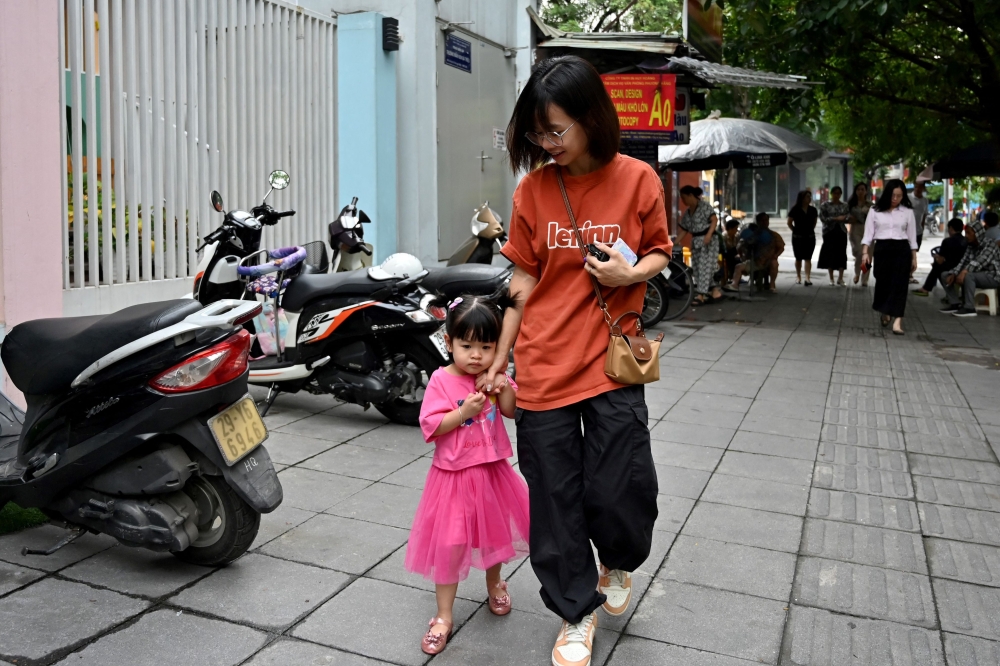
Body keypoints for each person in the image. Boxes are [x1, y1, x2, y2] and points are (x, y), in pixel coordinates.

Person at [484, 55, 671, 666]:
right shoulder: (533, 190)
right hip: (543, 365)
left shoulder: (638, 179)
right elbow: (522, 281)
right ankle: (574, 612)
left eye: (556, 131)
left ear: (593, 118)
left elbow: (661, 254)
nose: (546, 144)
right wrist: (498, 360)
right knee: (555, 499)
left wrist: (630, 271)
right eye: (537, 134)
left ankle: (617, 557)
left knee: (623, 485)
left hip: (612, 361)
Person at [406, 294, 530, 655]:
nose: (476, 355)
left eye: (486, 347)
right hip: (452, 479)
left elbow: (510, 411)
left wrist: (503, 385)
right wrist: (464, 412)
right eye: (467, 346)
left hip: (491, 473)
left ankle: (495, 583)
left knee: (493, 538)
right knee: (449, 545)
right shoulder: (441, 381)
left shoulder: (491, 375)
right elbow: (431, 426)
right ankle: (443, 615)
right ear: (449, 343)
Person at [861, 179, 918, 335]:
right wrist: (865, 254)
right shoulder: (875, 210)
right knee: (883, 282)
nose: (895, 199)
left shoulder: (907, 211)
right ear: (887, 194)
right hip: (882, 249)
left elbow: (912, 236)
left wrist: (914, 257)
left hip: (902, 249)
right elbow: (868, 234)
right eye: (893, 195)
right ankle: (885, 310)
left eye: (899, 196)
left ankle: (898, 321)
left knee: (901, 285)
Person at [939, 219, 1000, 317]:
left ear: (977, 233)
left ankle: (969, 308)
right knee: (945, 275)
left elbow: (980, 261)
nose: (966, 236)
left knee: (969, 275)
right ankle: (955, 303)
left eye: (969, 233)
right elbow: (963, 262)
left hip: (993, 276)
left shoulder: (990, 244)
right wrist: (954, 273)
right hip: (976, 275)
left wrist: (964, 272)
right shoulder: (970, 246)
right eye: (965, 233)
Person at [679, 185, 723, 305]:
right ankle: (715, 291)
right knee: (698, 268)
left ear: (690, 195)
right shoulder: (688, 212)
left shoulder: (704, 207)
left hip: (708, 241)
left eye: (684, 198)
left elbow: (714, 220)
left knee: (705, 267)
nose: (683, 201)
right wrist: (675, 242)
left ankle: (701, 295)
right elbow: (684, 229)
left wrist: (709, 234)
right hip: (696, 241)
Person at [723, 212, 785, 293]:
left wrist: (775, 255)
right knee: (738, 267)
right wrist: (742, 256)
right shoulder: (750, 235)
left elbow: (781, 247)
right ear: (758, 222)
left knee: (774, 263)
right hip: (754, 261)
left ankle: (772, 285)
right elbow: (739, 247)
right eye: (762, 220)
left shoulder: (774, 235)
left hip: (768, 261)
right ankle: (734, 284)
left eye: (766, 220)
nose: (764, 222)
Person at [912, 218, 966, 297]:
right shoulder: (966, 241)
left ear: (950, 228)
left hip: (952, 269)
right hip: (963, 268)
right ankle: (929, 288)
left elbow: (940, 261)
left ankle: (927, 288)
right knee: (938, 266)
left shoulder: (947, 241)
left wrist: (937, 257)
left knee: (937, 266)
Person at [817, 186, 850, 286]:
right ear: (831, 194)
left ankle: (840, 278)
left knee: (841, 254)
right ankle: (831, 278)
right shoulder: (825, 205)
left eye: (839, 193)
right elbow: (823, 218)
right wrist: (836, 218)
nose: (837, 195)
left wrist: (843, 219)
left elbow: (848, 217)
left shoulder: (844, 205)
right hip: (829, 232)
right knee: (829, 253)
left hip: (841, 231)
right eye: (835, 193)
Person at [788, 190, 818, 285]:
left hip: (810, 236)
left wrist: (809, 230)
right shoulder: (795, 209)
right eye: (807, 197)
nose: (809, 199)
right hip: (798, 237)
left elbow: (814, 222)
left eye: (810, 197)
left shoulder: (813, 210)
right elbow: (789, 222)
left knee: (808, 258)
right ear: (802, 198)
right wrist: (795, 230)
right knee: (798, 258)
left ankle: (807, 278)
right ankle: (798, 276)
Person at [848, 182, 874, 286]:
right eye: (858, 189)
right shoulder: (851, 204)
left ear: (866, 191)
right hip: (856, 229)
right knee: (859, 252)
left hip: (869, 231)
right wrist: (849, 219)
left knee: (868, 255)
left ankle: (865, 279)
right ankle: (857, 273)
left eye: (862, 189)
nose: (860, 191)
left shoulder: (871, 205)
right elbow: (845, 216)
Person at [910, 181, 930, 283]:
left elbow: (924, 215)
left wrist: (921, 228)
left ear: (923, 189)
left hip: (918, 231)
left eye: (920, 187)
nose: (918, 189)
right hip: (908, 231)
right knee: (909, 253)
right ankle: (908, 275)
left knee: (914, 253)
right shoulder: (908, 198)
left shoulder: (925, 201)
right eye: (916, 187)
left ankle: (910, 274)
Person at [722, 218, 741, 285]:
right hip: (726, 254)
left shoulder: (737, 236)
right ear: (730, 228)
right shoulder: (724, 236)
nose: (736, 230)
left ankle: (736, 278)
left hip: (735, 254)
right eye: (735, 228)